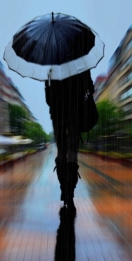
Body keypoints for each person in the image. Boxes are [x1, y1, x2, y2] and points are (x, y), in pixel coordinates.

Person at [45, 70, 95, 206]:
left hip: (58, 116)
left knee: (61, 154)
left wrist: (48, 85)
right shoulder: (80, 62)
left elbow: (48, 100)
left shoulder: (53, 64)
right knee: (72, 154)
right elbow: (91, 89)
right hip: (75, 115)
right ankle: (70, 191)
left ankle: (63, 188)